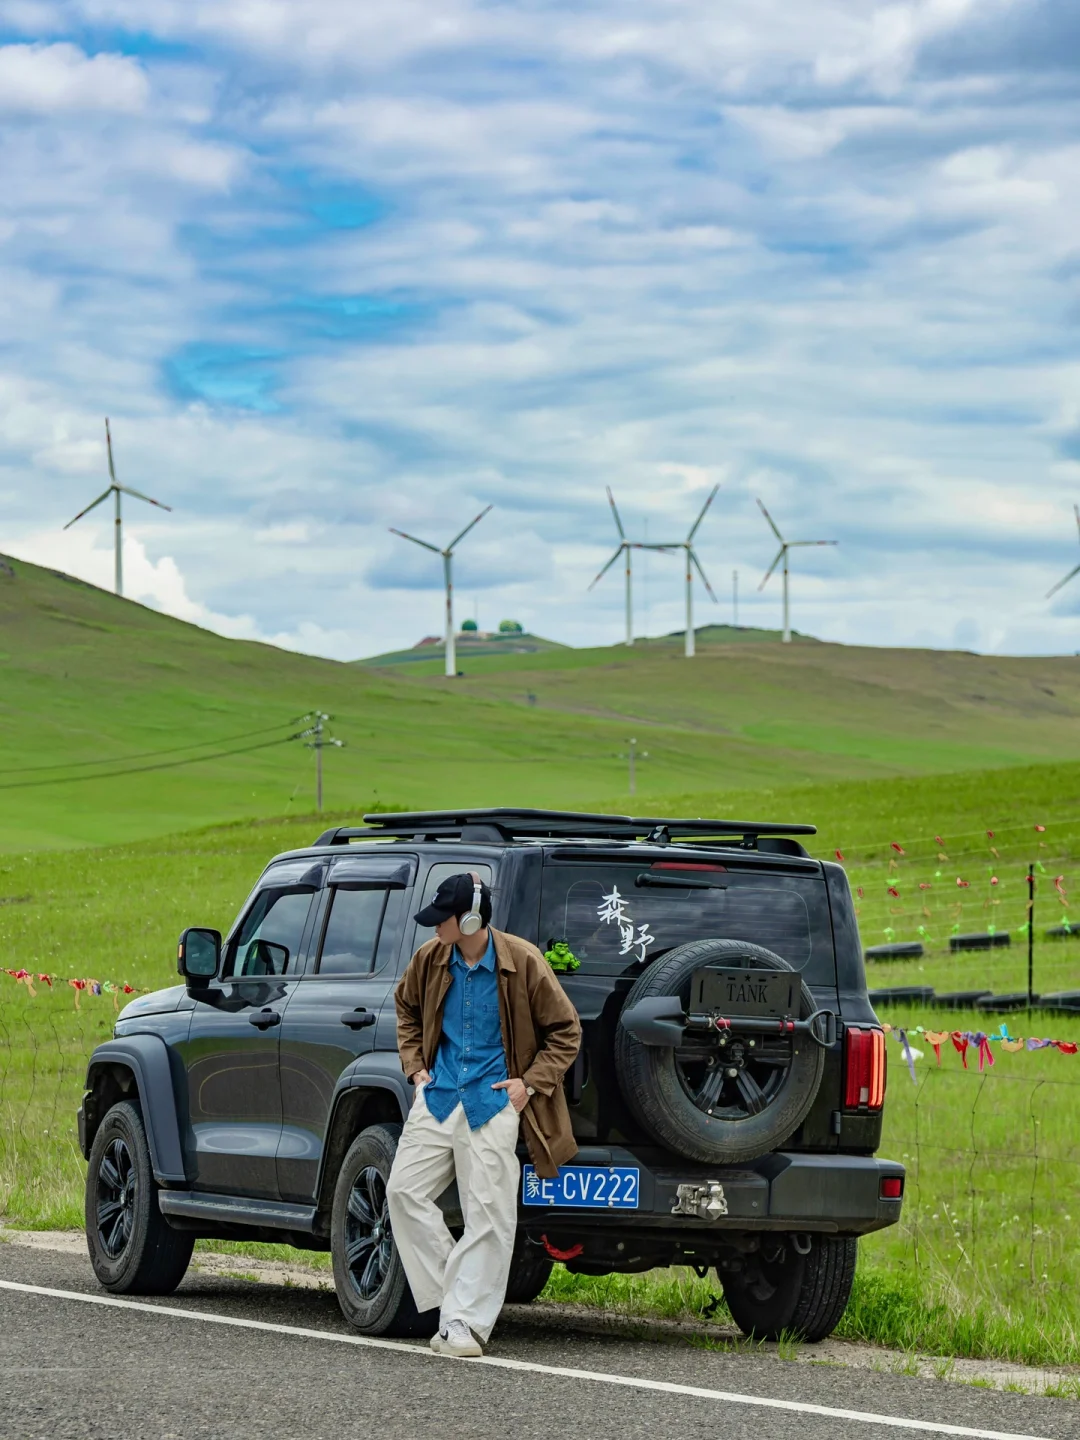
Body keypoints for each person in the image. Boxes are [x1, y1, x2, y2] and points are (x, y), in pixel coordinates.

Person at [386, 871, 581, 1358]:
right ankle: (459, 1294)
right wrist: (417, 1072)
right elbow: (405, 1008)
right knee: (403, 1192)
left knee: (489, 1215)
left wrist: (528, 1085)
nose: (433, 928)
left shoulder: (523, 961)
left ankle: (464, 1326)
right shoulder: (430, 959)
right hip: (439, 1097)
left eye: (441, 919)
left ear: (470, 919)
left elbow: (566, 1032)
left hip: (494, 1101)